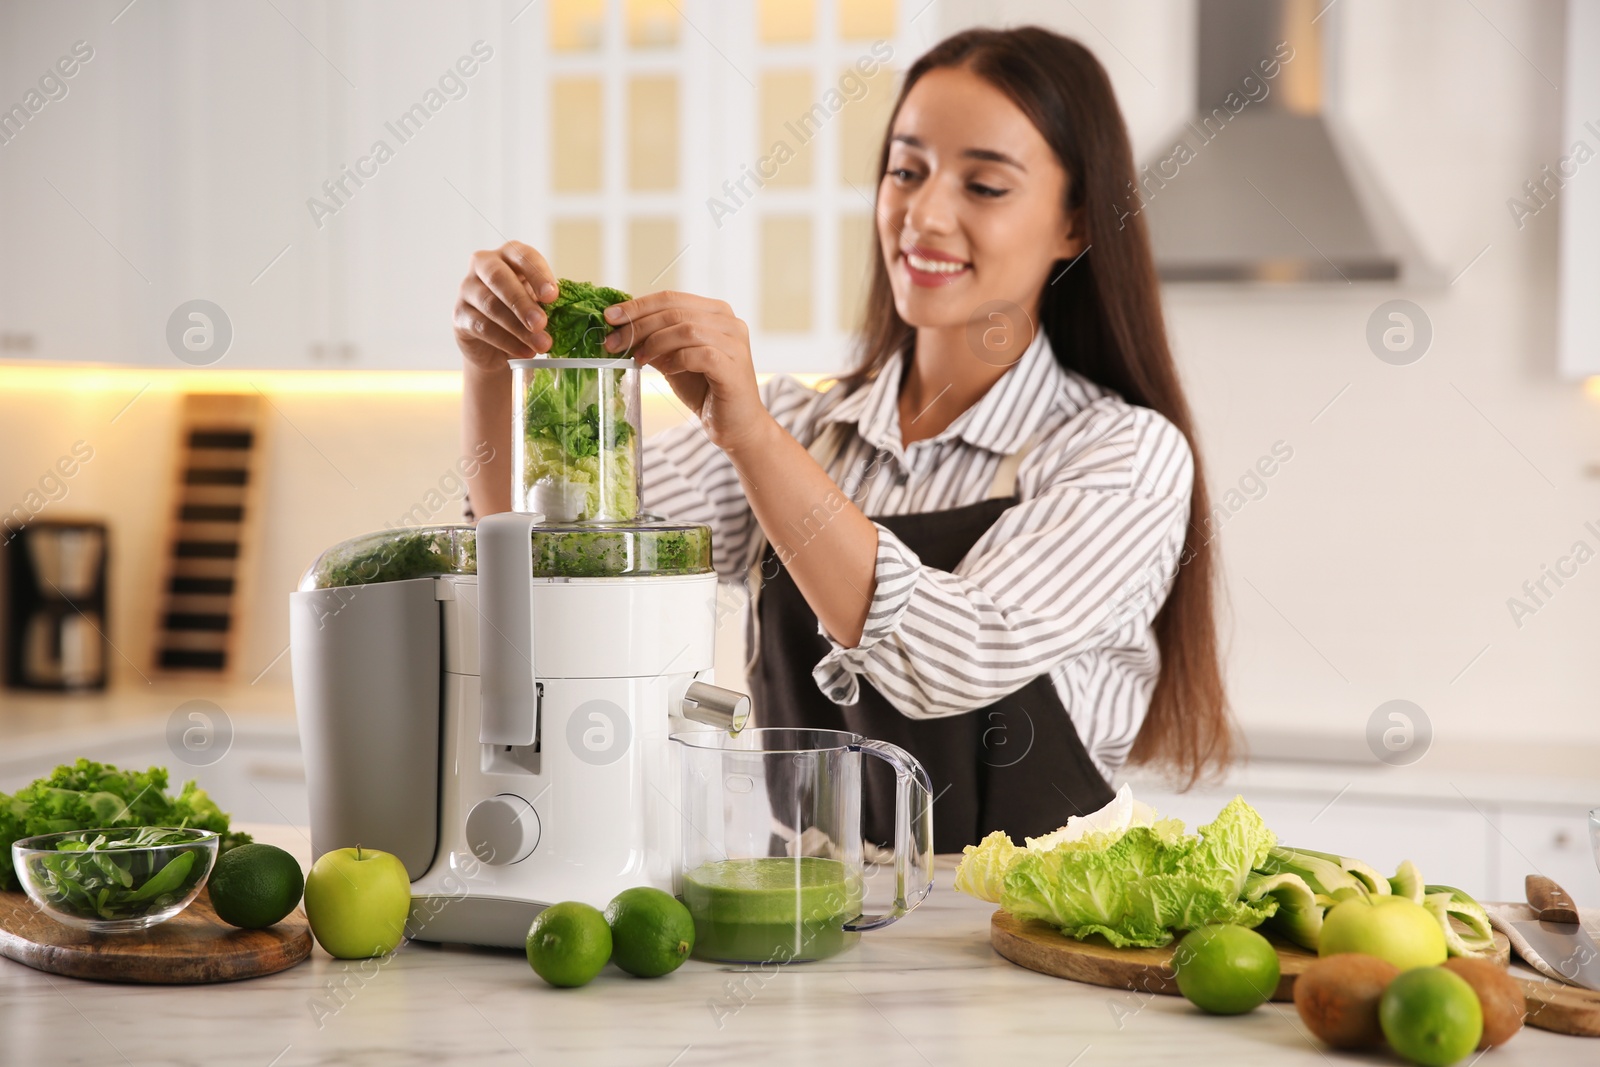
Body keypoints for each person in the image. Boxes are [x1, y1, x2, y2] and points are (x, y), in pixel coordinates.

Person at [454, 27, 1232, 854]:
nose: (925, 214)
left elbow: (949, 659)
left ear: (1076, 223)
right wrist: (489, 370)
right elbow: (549, 560)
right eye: (906, 170)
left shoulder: (1121, 453)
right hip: (801, 925)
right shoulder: (803, 426)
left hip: (1017, 943)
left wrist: (752, 438)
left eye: (985, 185)